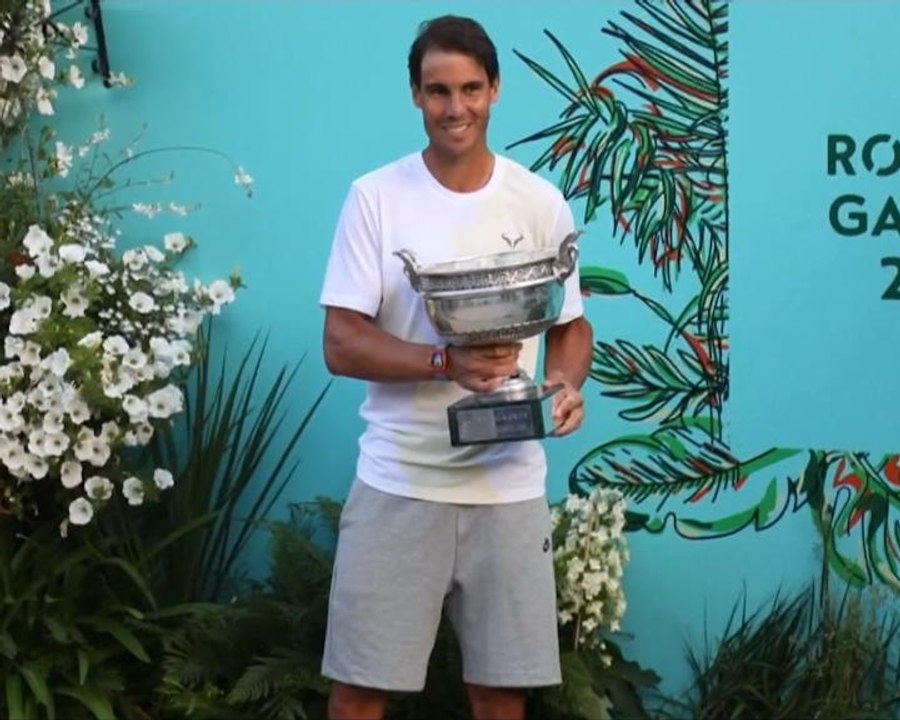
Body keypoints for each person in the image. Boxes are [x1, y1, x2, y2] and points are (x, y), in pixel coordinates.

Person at [318, 14, 593, 720]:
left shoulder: (539, 202)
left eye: (470, 89)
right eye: (438, 90)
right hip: (399, 481)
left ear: (495, 90)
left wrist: (563, 386)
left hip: (508, 486)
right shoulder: (375, 198)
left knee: (500, 698)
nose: (455, 108)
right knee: (356, 696)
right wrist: (445, 360)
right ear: (415, 95)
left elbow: (572, 327)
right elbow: (341, 342)